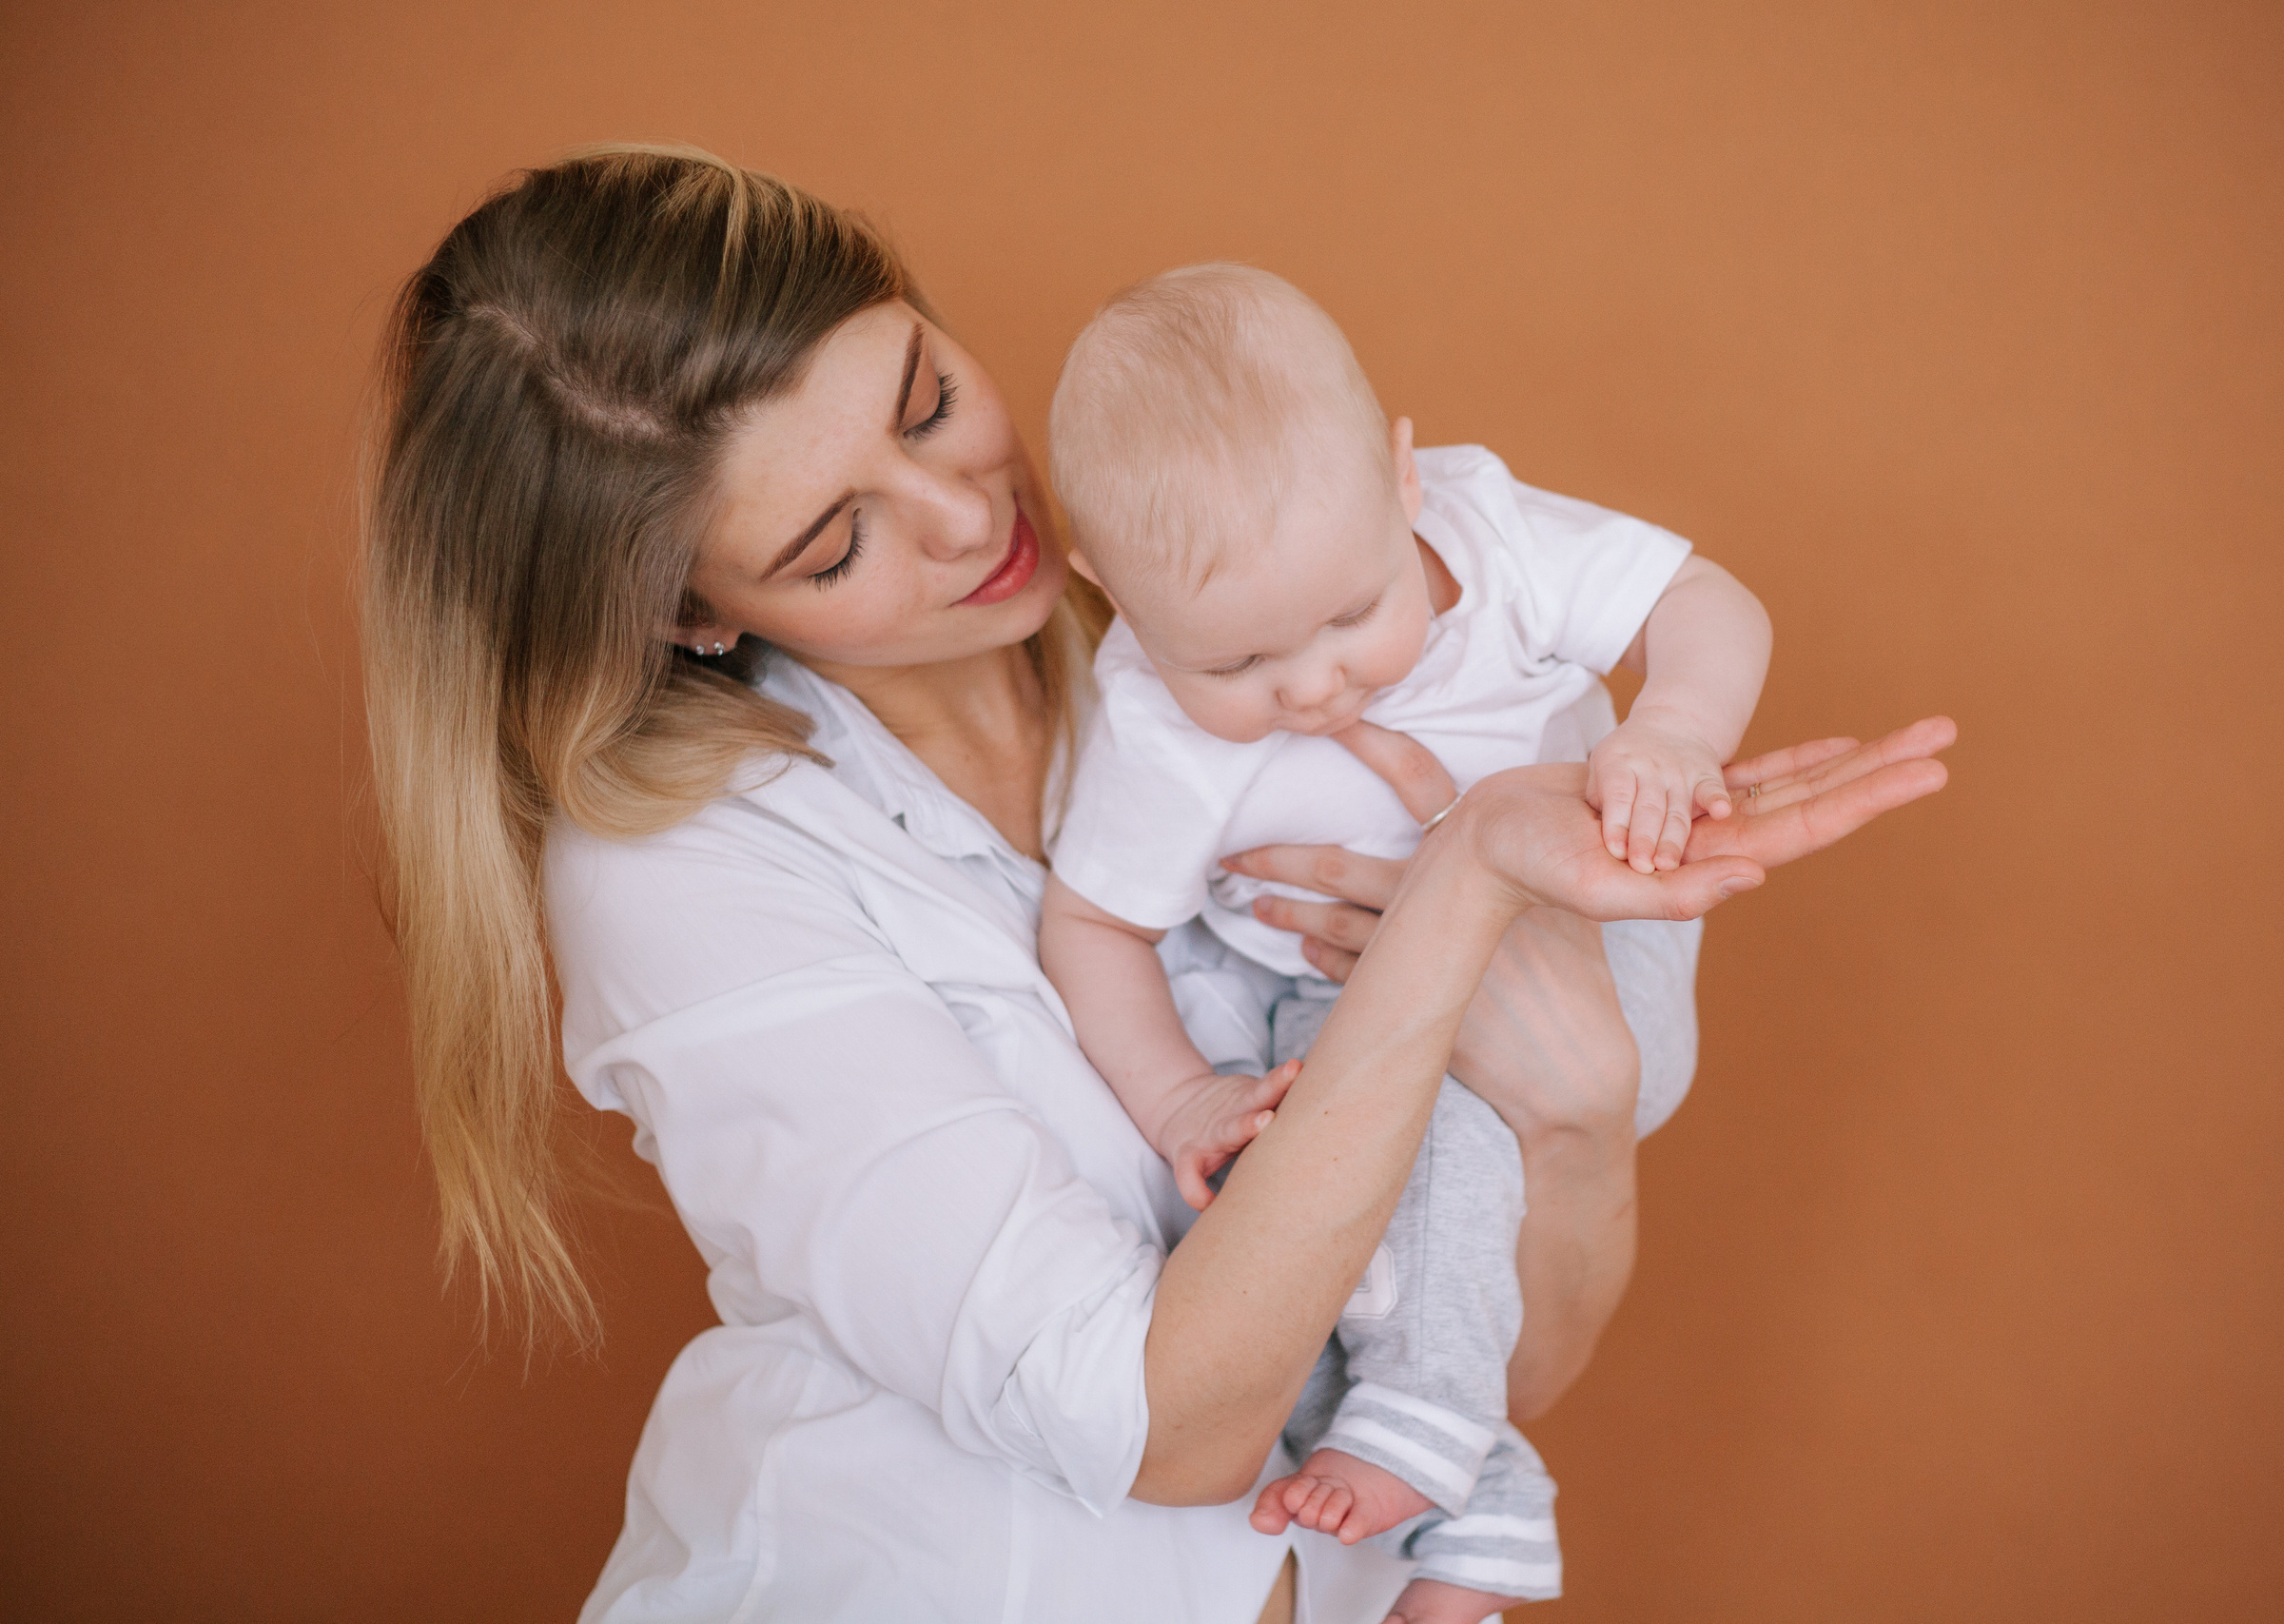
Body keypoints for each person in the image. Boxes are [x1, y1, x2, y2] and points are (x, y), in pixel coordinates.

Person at [359, 145, 1955, 1624]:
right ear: (692, 616)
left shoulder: (1237, 625)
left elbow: (1495, 1362)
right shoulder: (683, 872)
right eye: (834, 547)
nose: (971, 513)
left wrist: (1580, 1112)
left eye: (924, 399)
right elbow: (1167, 1431)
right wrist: (1459, 900)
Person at [1035, 264, 1774, 1624]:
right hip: (1341, 997)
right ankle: (1478, 1520)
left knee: (1406, 1148)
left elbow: (1706, 599)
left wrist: (1673, 729)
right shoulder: (1149, 719)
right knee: (1293, 1209)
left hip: (1592, 963)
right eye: (1239, 668)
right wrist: (1181, 1094)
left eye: (1347, 615)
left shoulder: (1497, 544)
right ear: (1112, 594)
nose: (1315, 686)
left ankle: (1448, 1447)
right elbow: (1089, 924)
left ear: (1404, 478)